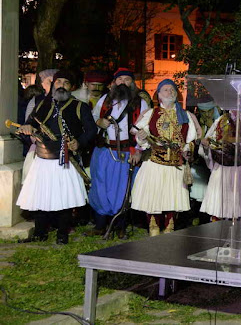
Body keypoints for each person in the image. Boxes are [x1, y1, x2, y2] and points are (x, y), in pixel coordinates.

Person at [16, 70, 97, 244]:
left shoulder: (80, 106)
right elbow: (31, 122)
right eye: (58, 82)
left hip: (65, 157)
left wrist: (79, 142)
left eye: (66, 83)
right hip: (43, 156)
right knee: (40, 194)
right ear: (53, 84)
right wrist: (28, 127)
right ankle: (39, 233)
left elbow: (91, 130)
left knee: (64, 196)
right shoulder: (43, 104)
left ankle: (62, 234)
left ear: (71, 87)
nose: (61, 85)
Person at [87, 68, 151, 237]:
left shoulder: (140, 103)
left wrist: (138, 151)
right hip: (104, 152)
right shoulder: (104, 100)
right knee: (100, 186)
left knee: (122, 189)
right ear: (114, 82)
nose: (123, 82)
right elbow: (92, 118)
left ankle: (120, 226)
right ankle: (100, 225)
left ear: (132, 83)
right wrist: (99, 121)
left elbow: (145, 128)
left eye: (127, 80)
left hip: (126, 153)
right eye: (120, 79)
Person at [131, 79, 198, 236]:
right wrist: (142, 138)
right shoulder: (150, 113)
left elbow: (191, 139)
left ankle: (170, 225)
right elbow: (139, 135)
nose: (170, 92)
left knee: (172, 196)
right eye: (166, 89)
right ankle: (153, 225)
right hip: (155, 162)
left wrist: (187, 150)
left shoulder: (185, 115)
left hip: (175, 163)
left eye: (173, 89)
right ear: (159, 95)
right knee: (153, 194)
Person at [199, 111, 241, 220]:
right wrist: (207, 145)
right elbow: (208, 142)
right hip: (222, 169)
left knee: (239, 206)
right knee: (218, 205)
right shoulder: (220, 120)